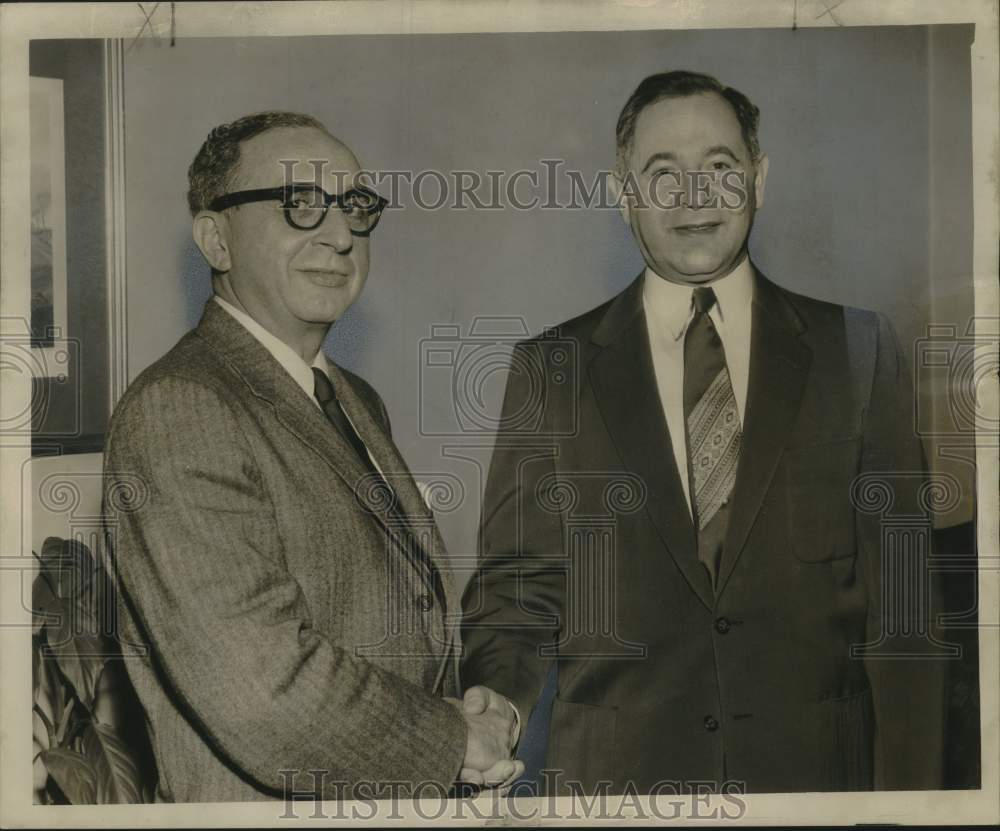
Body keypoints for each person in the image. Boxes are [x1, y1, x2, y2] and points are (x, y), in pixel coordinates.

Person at [461, 71, 948, 794]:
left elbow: (908, 612)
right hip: (616, 789)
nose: (694, 197)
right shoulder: (550, 369)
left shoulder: (859, 349)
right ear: (622, 192)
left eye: (720, 168)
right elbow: (520, 589)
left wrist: (917, 804)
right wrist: (497, 701)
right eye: (664, 174)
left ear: (760, 178)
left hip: (817, 783)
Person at [102, 111, 521, 802]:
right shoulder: (179, 407)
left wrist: (473, 706)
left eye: (356, 208)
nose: (340, 236)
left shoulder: (354, 398)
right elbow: (258, 688)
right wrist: (452, 739)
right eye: (300, 205)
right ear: (217, 239)